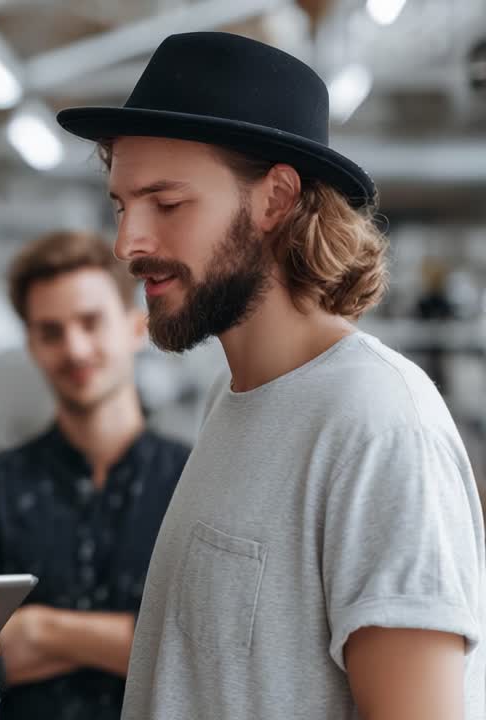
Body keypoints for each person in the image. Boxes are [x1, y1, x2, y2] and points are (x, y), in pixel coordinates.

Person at [55, 31, 485, 718]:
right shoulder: (235, 399)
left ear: (276, 198)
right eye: (121, 205)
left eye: (167, 204)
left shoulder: (379, 427)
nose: (127, 242)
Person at [0, 230, 188, 720]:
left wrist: (38, 630)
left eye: (91, 322)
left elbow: (208, 654)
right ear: (31, 344)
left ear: (136, 327)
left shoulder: (198, 482)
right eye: (51, 332)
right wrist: (133, 641)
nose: (75, 348)